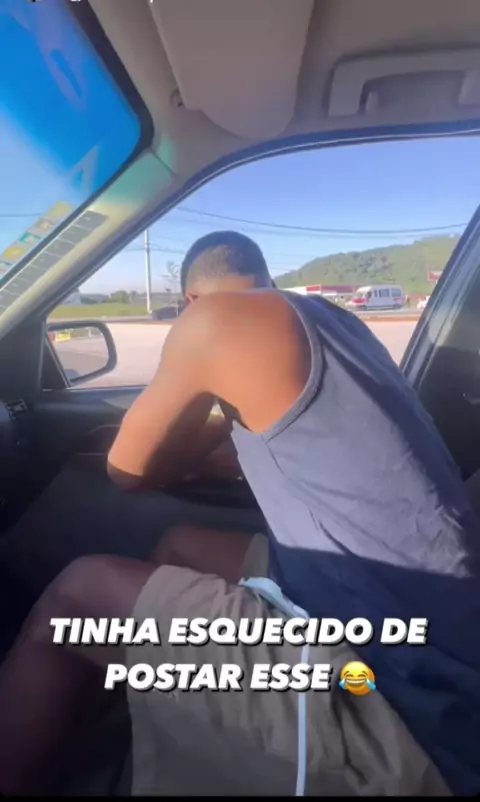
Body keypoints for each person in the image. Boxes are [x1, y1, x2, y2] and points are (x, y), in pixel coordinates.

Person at [0, 230, 479, 795]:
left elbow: (126, 471)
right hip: (428, 623)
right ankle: (132, 719)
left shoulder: (213, 319)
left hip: (408, 707)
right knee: (180, 545)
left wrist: (178, 442)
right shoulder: (333, 319)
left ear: (190, 301)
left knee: (76, 595)